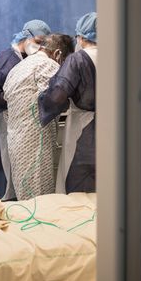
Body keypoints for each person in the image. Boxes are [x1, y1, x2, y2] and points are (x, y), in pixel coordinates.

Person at [0, 19, 51, 200]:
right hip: (5, 126)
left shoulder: (25, 60)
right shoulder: (7, 59)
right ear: (26, 37)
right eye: (38, 41)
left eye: (45, 43)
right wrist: (15, 103)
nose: (41, 46)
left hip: (19, 128)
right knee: (6, 192)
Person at [3, 34, 74, 200]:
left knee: (24, 193)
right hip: (35, 140)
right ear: (57, 54)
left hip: (16, 138)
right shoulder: (47, 64)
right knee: (40, 196)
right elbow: (55, 99)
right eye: (65, 60)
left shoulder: (21, 66)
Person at [39, 12, 97, 194]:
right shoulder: (120, 58)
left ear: (81, 36)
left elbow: (57, 96)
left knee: (75, 189)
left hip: (83, 131)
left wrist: (43, 100)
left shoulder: (77, 59)